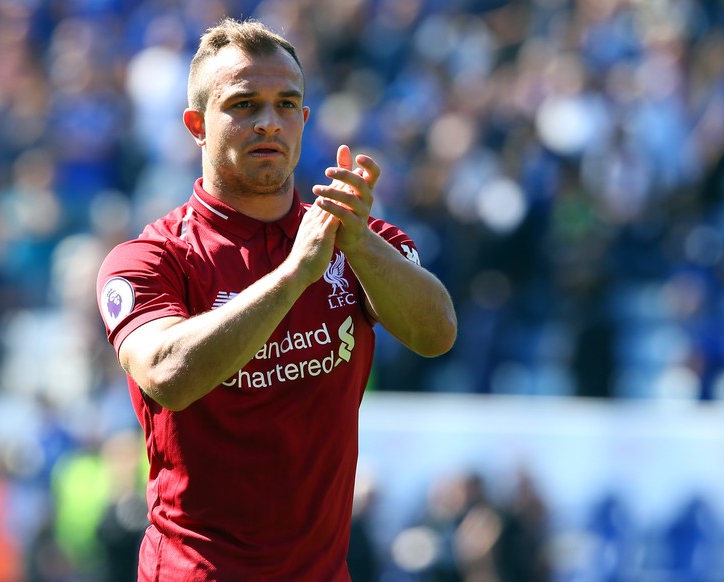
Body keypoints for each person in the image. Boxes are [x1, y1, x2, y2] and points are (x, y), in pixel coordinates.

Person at [95, 17, 457, 581]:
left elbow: (437, 334)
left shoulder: (356, 241)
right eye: (243, 105)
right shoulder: (150, 258)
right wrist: (293, 276)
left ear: (305, 120)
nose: (269, 122)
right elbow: (168, 374)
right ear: (197, 124)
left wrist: (358, 242)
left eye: (287, 104)